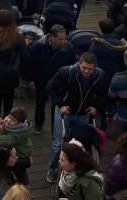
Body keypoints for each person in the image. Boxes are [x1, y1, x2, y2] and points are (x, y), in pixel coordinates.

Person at [45, 52, 107, 183]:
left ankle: (76, 168)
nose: (86, 71)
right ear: (79, 64)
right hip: (64, 113)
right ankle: (52, 169)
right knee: (59, 143)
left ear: (96, 67)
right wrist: (60, 105)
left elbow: (102, 94)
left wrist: (96, 107)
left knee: (80, 144)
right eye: (84, 67)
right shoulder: (66, 72)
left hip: (83, 114)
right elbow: (51, 87)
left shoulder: (100, 75)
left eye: (90, 69)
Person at [27, 24, 77, 135]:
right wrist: (30, 80)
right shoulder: (38, 46)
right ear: (52, 37)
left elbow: (72, 67)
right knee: (40, 103)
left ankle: (56, 128)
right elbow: (31, 64)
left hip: (59, 82)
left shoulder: (69, 48)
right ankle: (39, 124)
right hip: (42, 79)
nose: (63, 41)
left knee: (57, 105)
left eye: (64, 38)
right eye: (60, 39)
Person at [0, 10, 26, 115]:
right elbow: (25, 55)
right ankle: (9, 124)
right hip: (11, 73)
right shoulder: (19, 36)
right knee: (9, 102)